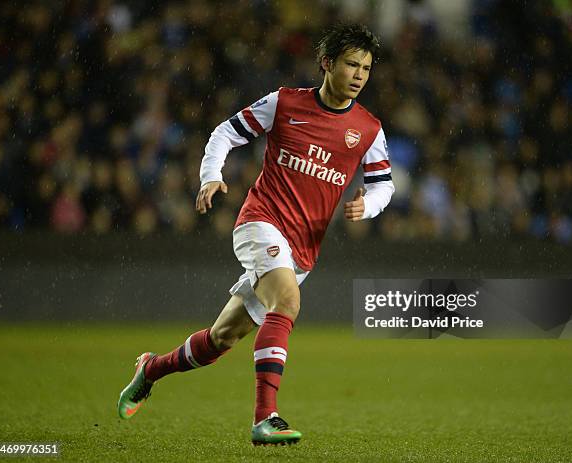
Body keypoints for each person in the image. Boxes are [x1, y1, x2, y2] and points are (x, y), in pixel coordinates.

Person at [117, 22, 395, 446]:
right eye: (351, 65)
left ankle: (150, 369)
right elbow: (225, 132)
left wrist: (368, 205)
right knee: (288, 301)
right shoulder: (285, 103)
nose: (359, 75)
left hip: (302, 250)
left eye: (366, 68)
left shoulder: (369, 129)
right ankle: (266, 418)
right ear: (326, 63)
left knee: (219, 340)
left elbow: (383, 184)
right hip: (260, 221)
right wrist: (211, 175)